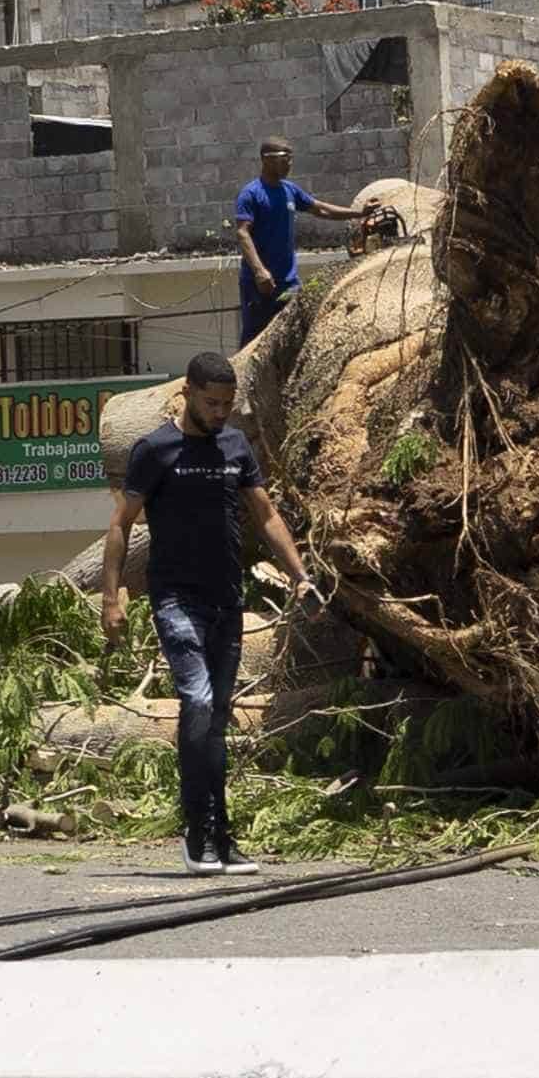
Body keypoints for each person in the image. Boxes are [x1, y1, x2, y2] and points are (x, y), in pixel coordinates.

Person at [102, 352, 317, 875]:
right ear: (188, 394)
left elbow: (265, 515)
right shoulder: (155, 450)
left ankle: (221, 837)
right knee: (196, 702)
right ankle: (196, 829)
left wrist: (299, 573)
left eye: (227, 404)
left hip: (226, 598)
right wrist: (111, 598)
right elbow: (121, 525)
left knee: (216, 720)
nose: (220, 412)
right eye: (211, 403)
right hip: (176, 598)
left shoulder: (235, 446)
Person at [233, 139, 323, 348]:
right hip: (260, 286)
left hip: (288, 283)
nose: (289, 164)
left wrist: (359, 213)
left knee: (299, 331)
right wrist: (259, 271)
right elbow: (242, 233)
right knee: (255, 343)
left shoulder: (289, 190)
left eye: (290, 159)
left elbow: (321, 209)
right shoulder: (251, 194)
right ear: (266, 160)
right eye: (284, 159)